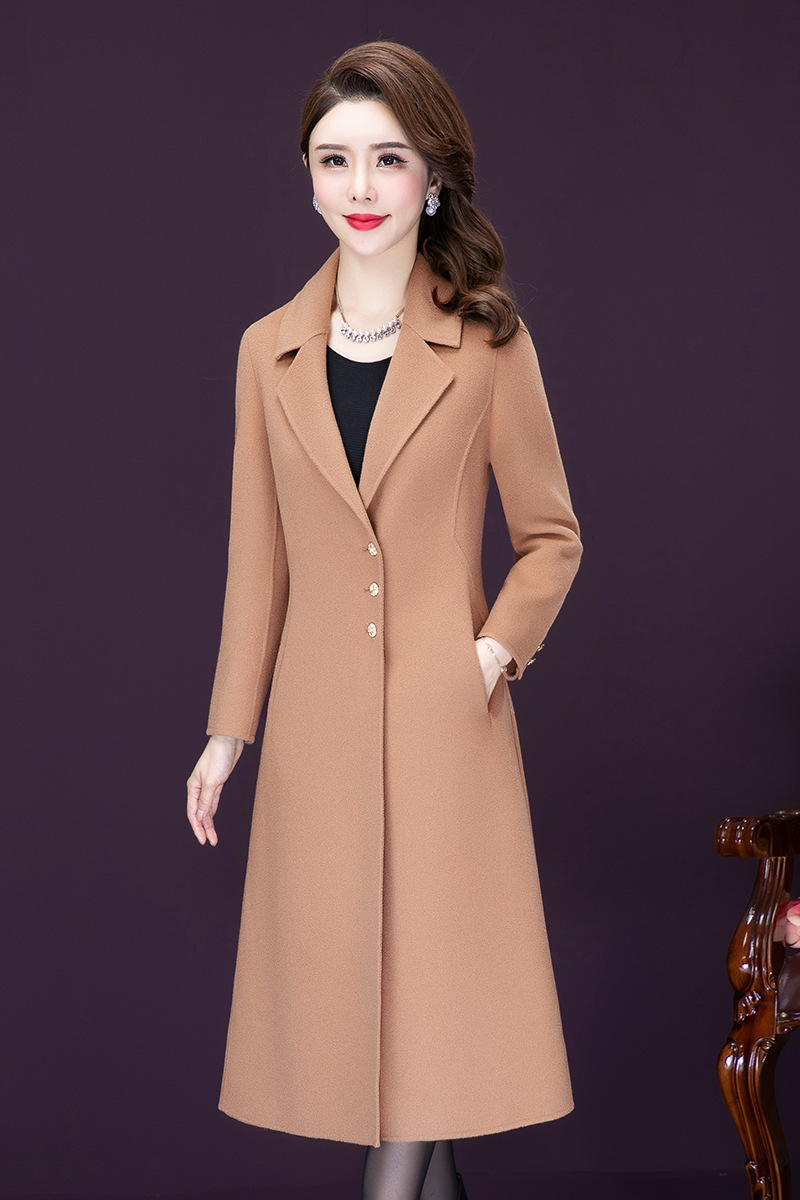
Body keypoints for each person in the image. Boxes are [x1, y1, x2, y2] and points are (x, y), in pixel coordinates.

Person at [186, 41, 582, 1200]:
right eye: (334, 160)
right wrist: (227, 734)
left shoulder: (490, 342)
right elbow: (254, 566)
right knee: (396, 1041)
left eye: (387, 159)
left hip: (445, 731)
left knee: (423, 1018)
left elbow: (551, 536)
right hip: (314, 737)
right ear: (306, 176)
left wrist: (486, 656)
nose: (359, 187)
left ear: (433, 177)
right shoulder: (266, 352)